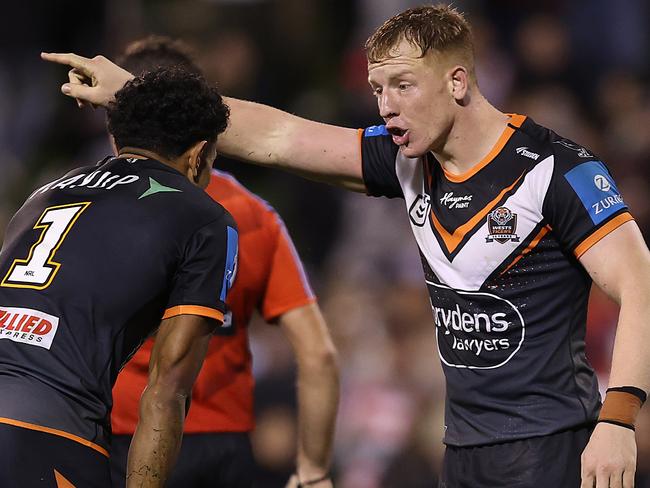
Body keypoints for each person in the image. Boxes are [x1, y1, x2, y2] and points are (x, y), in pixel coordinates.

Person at [42, 4, 650, 487]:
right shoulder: (406, 159)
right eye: (378, 89)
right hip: (463, 451)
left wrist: (618, 420)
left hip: (554, 446)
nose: (385, 108)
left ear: (459, 80)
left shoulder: (557, 169)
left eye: (403, 86)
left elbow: (640, 283)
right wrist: (137, 95)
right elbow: (278, 135)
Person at [108, 37, 339, 488]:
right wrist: (313, 472)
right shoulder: (253, 215)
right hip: (224, 450)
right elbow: (319, 355)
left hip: (120, 439)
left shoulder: (92, 205)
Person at [0, 68, 237, 487]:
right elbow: (167, 393)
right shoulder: (206, 220)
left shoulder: (44, 192)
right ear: (199, 155)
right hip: (44, 432)